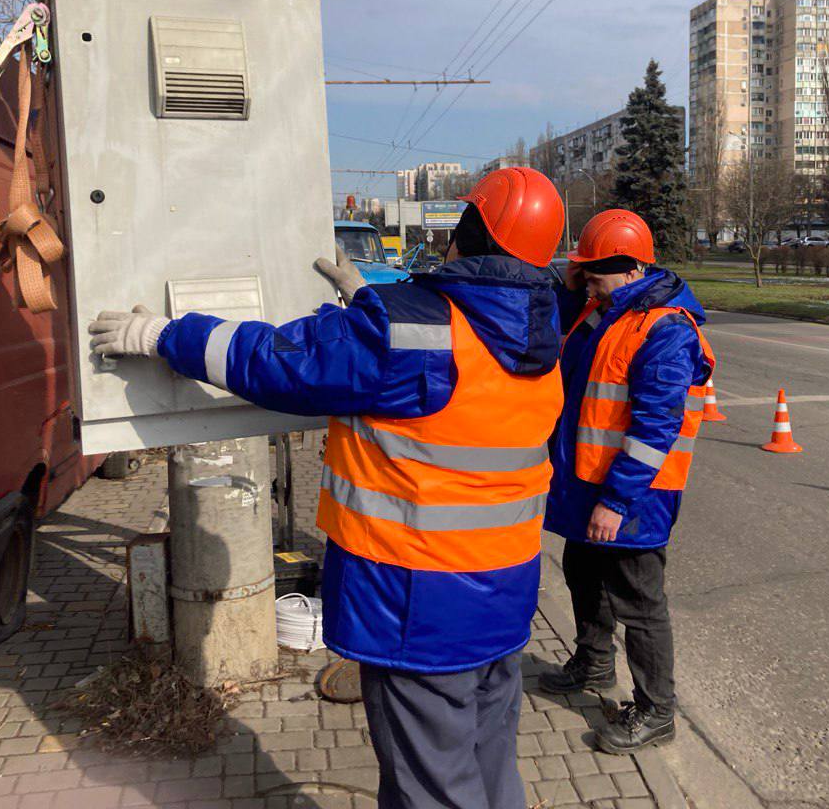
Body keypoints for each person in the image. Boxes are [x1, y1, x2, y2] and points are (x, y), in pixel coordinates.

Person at [88, 167, 567, 809]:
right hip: (502, 597)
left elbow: (278, 360)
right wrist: (371, 302)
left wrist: (164, 335)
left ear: (466, 233)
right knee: (489, 765)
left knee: (432, 789)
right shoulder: (539, 339)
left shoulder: (409, 333)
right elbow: (445, 383)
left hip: (418, 608)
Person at [539, 209, 716, 755]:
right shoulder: (603, 311)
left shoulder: (665, 330)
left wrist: (616, 501)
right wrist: (577, 288)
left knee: (639, 602)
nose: (586, 279)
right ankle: (593, 664)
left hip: (633, 497)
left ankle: (657, 711)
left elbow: (655, 429)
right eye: (583, 272)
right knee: (582, 575)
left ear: (633, 268)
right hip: (588, 484)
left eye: (595, 271)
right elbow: (558, 342)